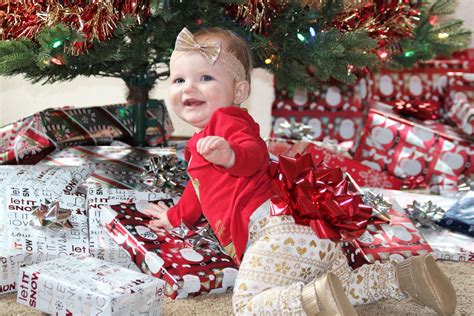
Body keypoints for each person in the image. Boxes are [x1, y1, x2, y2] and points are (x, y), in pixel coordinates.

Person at [143, 27, 457, 316]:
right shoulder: (199, 142)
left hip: (275, 231)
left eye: (205, 78)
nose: (189, 88)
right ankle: (402, 278)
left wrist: (230, 155)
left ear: (239, 92)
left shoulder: (228, 120)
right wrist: (172, 217)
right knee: (339, 284)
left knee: (247, 304)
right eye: (179, 80)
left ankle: (312, 303)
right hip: (309, 231)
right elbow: (198, 192)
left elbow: (253, 155)